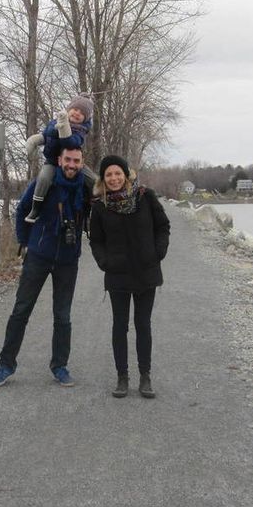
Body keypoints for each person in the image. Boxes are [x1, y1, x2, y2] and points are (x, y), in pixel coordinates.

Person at [0, 145, 90, 388]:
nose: (71, 165)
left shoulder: (84, 188)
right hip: (38, 255)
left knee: (62, 316)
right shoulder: (44, 182)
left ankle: (60, 367)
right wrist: (24, 241)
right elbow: (22, 210)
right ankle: (5, 365)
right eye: (67, 159)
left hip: (68, 260)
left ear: (82, 163)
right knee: (21, 310)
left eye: (76, 161)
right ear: (59, 159)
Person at [88, 154, 170, 399]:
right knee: (119, 326)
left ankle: (145, 377)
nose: (113, 178)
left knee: (143, 325)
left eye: (117, 173)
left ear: (126, 174)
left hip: (146, 272)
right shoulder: (100, 207)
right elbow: (96, 241)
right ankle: (122, 377)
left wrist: (158, 252)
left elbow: (162, 226)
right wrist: (105, 262)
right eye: (108, 175)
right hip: (118, 276)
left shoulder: (146, 197)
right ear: (103, 179)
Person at [23, 93, 96, 223]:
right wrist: (35, 140)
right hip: (51, 161)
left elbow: (70, 142)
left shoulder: (81, 130)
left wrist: (64, 126)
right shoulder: (54, 122)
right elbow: (47, 134)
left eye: (82, 113)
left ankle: (94, 206)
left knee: (94, 180)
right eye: (75, 109)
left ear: (85, 118)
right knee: (44, 179)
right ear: (69, 110)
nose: (77, 113)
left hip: (73, 163)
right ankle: (35, 209)